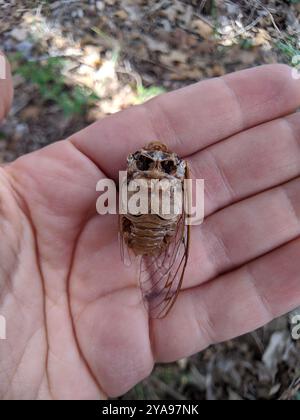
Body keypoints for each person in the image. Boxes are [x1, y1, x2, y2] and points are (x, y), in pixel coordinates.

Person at [0, 51, 300, 400]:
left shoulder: (136, 176)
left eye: (165, 165)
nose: (156, 166)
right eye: (147, 162)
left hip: (148, 224)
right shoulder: (174, 178)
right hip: (153, 226)